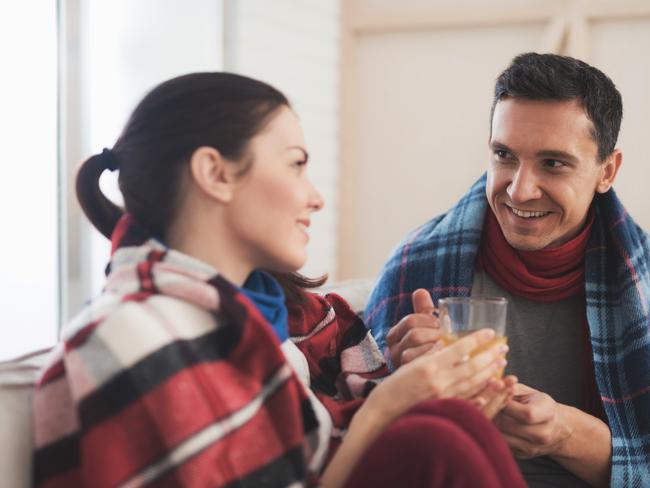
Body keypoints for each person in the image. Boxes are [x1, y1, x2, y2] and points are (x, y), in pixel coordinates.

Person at [32, 72, 526, 488]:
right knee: (434, 440)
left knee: (451, 422)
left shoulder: (245, 325)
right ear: (215, 173)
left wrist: (416, 395)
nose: (315, 198)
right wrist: (388, 407)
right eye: (295, 165)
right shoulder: (128, 335)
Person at [365, 52, 650, 487]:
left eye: (553, 163)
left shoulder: (643, 287)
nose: (520, 190)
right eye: (505, 155)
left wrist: (566, 435)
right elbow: (356, 445)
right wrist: (399, 392)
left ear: (606, 171)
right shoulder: (415, 264)